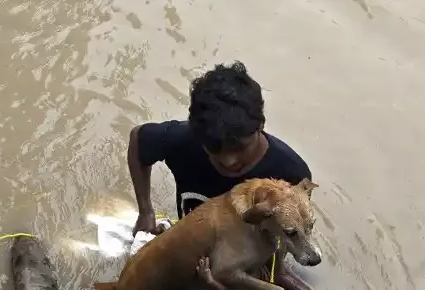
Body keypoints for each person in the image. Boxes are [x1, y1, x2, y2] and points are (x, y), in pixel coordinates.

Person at [127, 61, 313, 235]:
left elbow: (292, 230)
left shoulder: (291, 175)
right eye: (214, 148)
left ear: (260, 125)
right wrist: (146, 212)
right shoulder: (184, 140)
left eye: (239, 147)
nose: (228, 161)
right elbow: (138, 139)